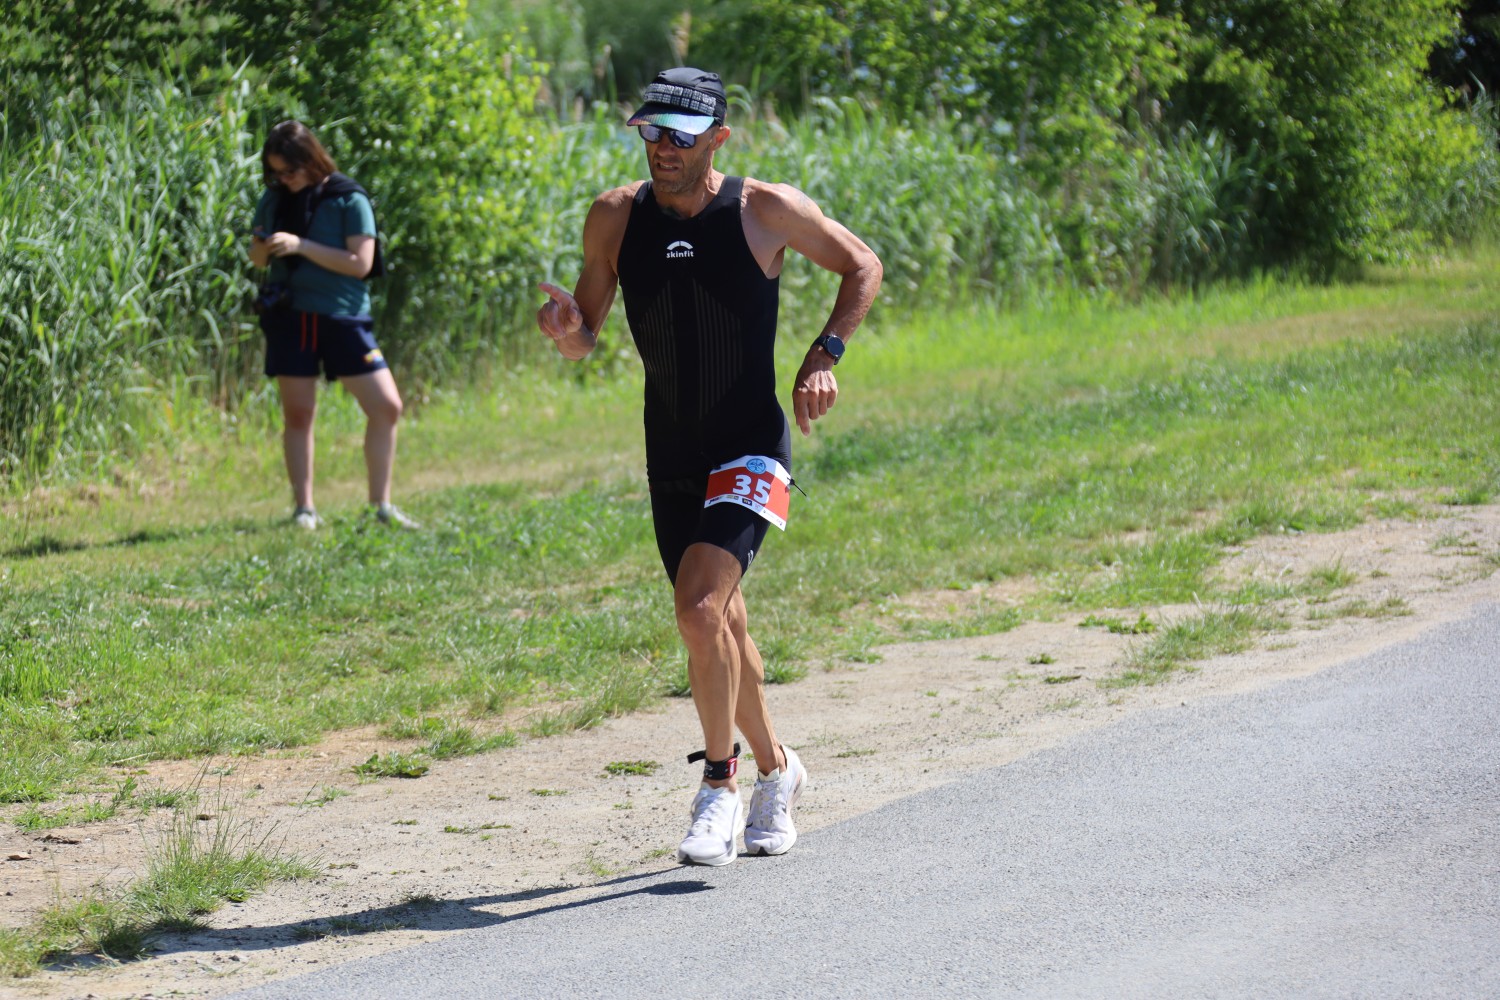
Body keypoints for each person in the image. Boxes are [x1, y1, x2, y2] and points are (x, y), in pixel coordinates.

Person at [537, 68, 882, 865]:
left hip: (752, 444)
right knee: (720, 625)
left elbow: (861, 264)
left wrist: (824, 354)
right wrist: (566, 330)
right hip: (672, 451)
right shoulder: (616, 217)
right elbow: (587, 333)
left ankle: (718, 788)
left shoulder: (763, 210)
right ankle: (778, 772)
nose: (663, 148)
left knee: (698, 611)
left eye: (681, 136)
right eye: (651, 131)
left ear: (718, 139)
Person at [248, 120, 418, 530]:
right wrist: (264, 248)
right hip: (291, 317)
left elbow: (360, 263)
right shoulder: (274, 199)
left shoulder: (349, 198)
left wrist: (300, 245)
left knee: (387, 406)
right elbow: (256, 259)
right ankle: (304, 509)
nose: (284, 180)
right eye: (275, 173)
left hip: (343, 317)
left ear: (311, 159)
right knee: (299, 413)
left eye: (290, 170)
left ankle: (380, 507)